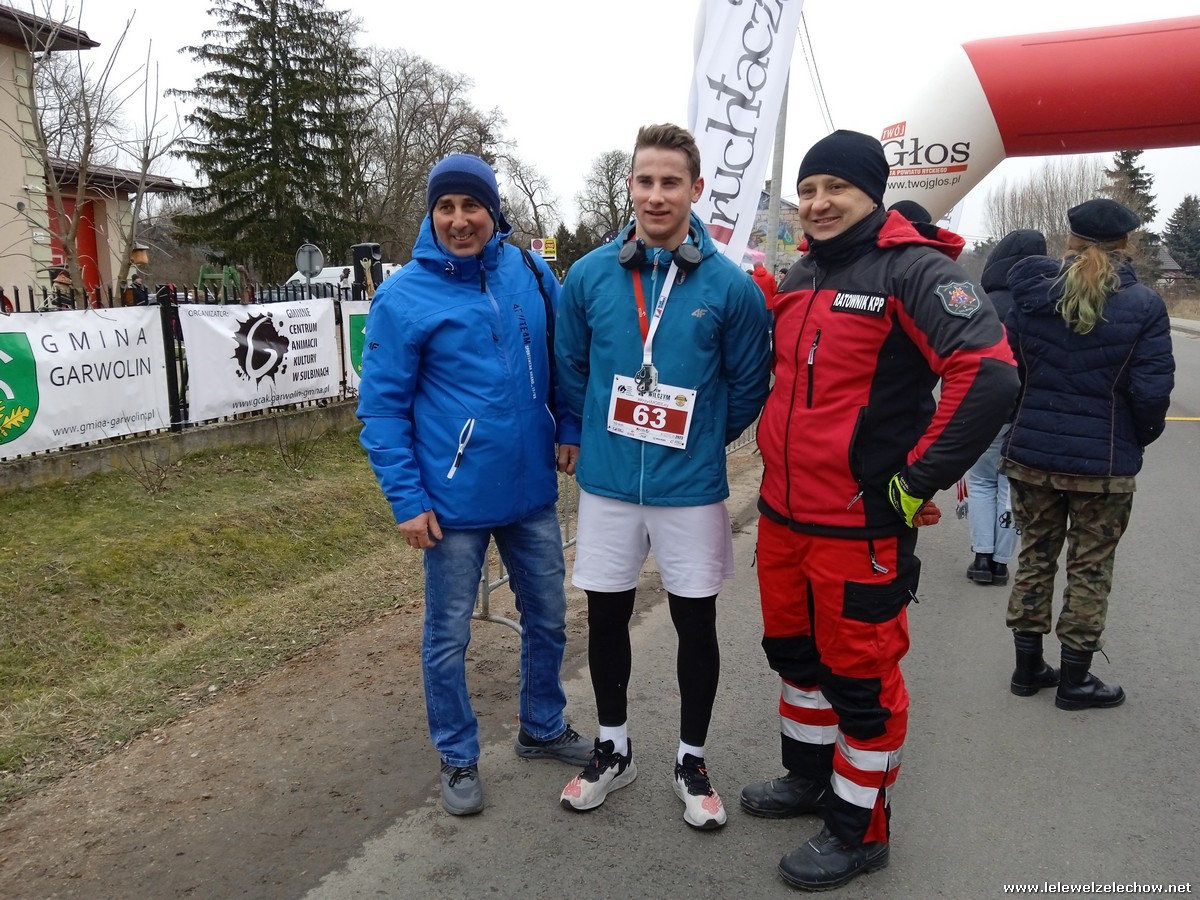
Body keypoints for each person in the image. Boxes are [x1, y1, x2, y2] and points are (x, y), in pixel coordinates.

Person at [743, 130, 1020, 890]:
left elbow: (989, 375)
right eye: (808, 189)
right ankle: (810, 778)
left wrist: (915, 482)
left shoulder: (915, 270)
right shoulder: (804, 271)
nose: (818, 202)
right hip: (784, 520)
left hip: (859, 528)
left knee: (860, 683)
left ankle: (860, 829)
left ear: (873, 193)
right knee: (796, 659)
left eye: (836, 187)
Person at [357, 152, 591, 817]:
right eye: (446, 207)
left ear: (494, 211)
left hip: (531, 491)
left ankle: (541, 725)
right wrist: (407, 500)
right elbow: (381, 410)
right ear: (431, 215)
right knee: (448, 636)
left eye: (472, 206)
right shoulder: (404, 296)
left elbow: (561, 358)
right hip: (451, 503)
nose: (460, 220)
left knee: (548, 617)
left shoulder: (530, 272)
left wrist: (569, 423)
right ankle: (458, 754)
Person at [554, 123, 771, 830]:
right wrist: (590, 433)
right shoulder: (589, 276)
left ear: (695, 189)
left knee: (694, 622)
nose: (656, 195)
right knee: (606, 615)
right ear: (630, 187)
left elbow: (749, 383)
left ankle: (691, 760)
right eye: (644, 180)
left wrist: (701, 438)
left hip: (689, 488)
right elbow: (570, 366)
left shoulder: (730, 287)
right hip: (610, 484)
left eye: (670, 182)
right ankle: (613, 748)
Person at [1002, 198, 1174, 708]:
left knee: (1035, 555)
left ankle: (1027, 668)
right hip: (1105, 463)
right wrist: (1138, 437)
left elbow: (1007, 374)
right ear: (1126, 243)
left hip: (1031, 454)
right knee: (1090, 566)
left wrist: (1021, 422)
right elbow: (1152, 391)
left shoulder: (1031, 296)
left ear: (1071, 238)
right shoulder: (1143, 305)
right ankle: (1076, 680)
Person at [965, 230, 1046, 586]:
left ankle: (981, 557)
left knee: (982, 481)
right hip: (1029, 412)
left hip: (986, 411)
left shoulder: (982, 303)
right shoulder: (1046, 304)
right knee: (1010, 486)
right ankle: (1001, 562)